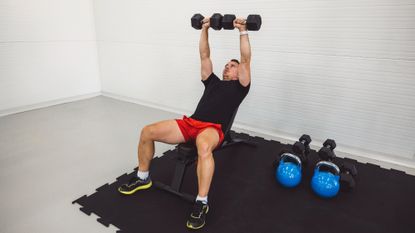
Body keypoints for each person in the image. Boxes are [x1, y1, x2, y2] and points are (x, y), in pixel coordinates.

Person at [118, 16, 252, 230]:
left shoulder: (241, 87)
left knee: (203, 147)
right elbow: (204, 54)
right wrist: (205, 28)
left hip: (212, 129)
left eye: (232, 66)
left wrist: (242, 31)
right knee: (147, 131)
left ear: (239, 72)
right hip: (191, 123)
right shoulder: (212, 82)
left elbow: (245, 59)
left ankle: (201, 202)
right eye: (226, 65)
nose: (227, 67)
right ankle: (143, 178)